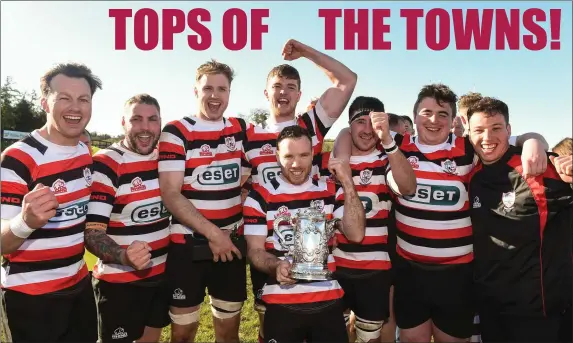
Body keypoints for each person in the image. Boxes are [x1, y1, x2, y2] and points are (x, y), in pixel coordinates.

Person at [333, 83, 549, 343]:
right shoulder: (395, 144)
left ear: (453, 119)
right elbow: (348, 130)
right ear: (414, 117)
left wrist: (535, 142)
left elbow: (516, 139)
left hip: (457, 275)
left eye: (443, 114)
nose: (434, 120)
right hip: (411, 272)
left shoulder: (469, 146)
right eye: (427, 113)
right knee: (413, 339)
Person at [243, 38, 357, 342]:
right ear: (266, 92)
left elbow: (347, 80)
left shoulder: (311, 124)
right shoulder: (246, 134)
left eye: (291, 86)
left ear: (299, 94)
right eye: (278, 86)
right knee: (269, 319)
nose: (284, 92)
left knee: (320, 320)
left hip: (312, 242)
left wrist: (305, 53)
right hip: (269, 242)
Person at [0, 62, 101, 342]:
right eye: (64, 98)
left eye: (83, 99)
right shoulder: (18, 159)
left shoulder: (85, 152)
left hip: (79, 284)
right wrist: (25, 222)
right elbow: (2, 243)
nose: (75, 107)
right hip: (31, 297)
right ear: (45, 102)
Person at [243, 125, 366, 343]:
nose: (297, 164)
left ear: (313, 154)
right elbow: (254, 251)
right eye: (289, 156)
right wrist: (276, 266)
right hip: (282, 303)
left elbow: (356, 234)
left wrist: (347, 182)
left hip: (328, 300)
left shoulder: (329, 189)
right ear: (276, 155)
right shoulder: (259, 196)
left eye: (304, 155)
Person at [466, 96, 573, 342]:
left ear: (509, 130)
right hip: (490, 307)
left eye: (496, 129)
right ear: (469, 133)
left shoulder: (539, 167)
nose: (487, 138)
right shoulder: (471, 176)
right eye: (479, 130)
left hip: (536, 311)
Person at [158, 59, 250, 343]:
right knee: (183, 334)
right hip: (188, 247)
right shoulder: (176, 132)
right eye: (207, 88)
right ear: (195, 91)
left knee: (228, 332)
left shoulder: (241, 129)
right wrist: (213, 234)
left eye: (222, 89)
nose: (215, 95)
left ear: (230, 93)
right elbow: (170, 193)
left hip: (231, 246)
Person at [321, 96, 417, 343]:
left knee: (370, 338)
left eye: (372, 123)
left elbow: (407, 187)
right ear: (349, 125)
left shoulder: (385, 160)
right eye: (359, 122)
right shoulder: (329, 163)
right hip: (334, 268)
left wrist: (387, 141)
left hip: (374, 271)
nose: (366, 130)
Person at [85, 94, 170, 342]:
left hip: (160, 276)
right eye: (137, 119)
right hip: (118, 282)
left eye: (152, 119)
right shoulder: (107, 163)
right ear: (123, 122)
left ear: (160, 123)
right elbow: (92, 232)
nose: (145, 127)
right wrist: (124, 256)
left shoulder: (167, 159)